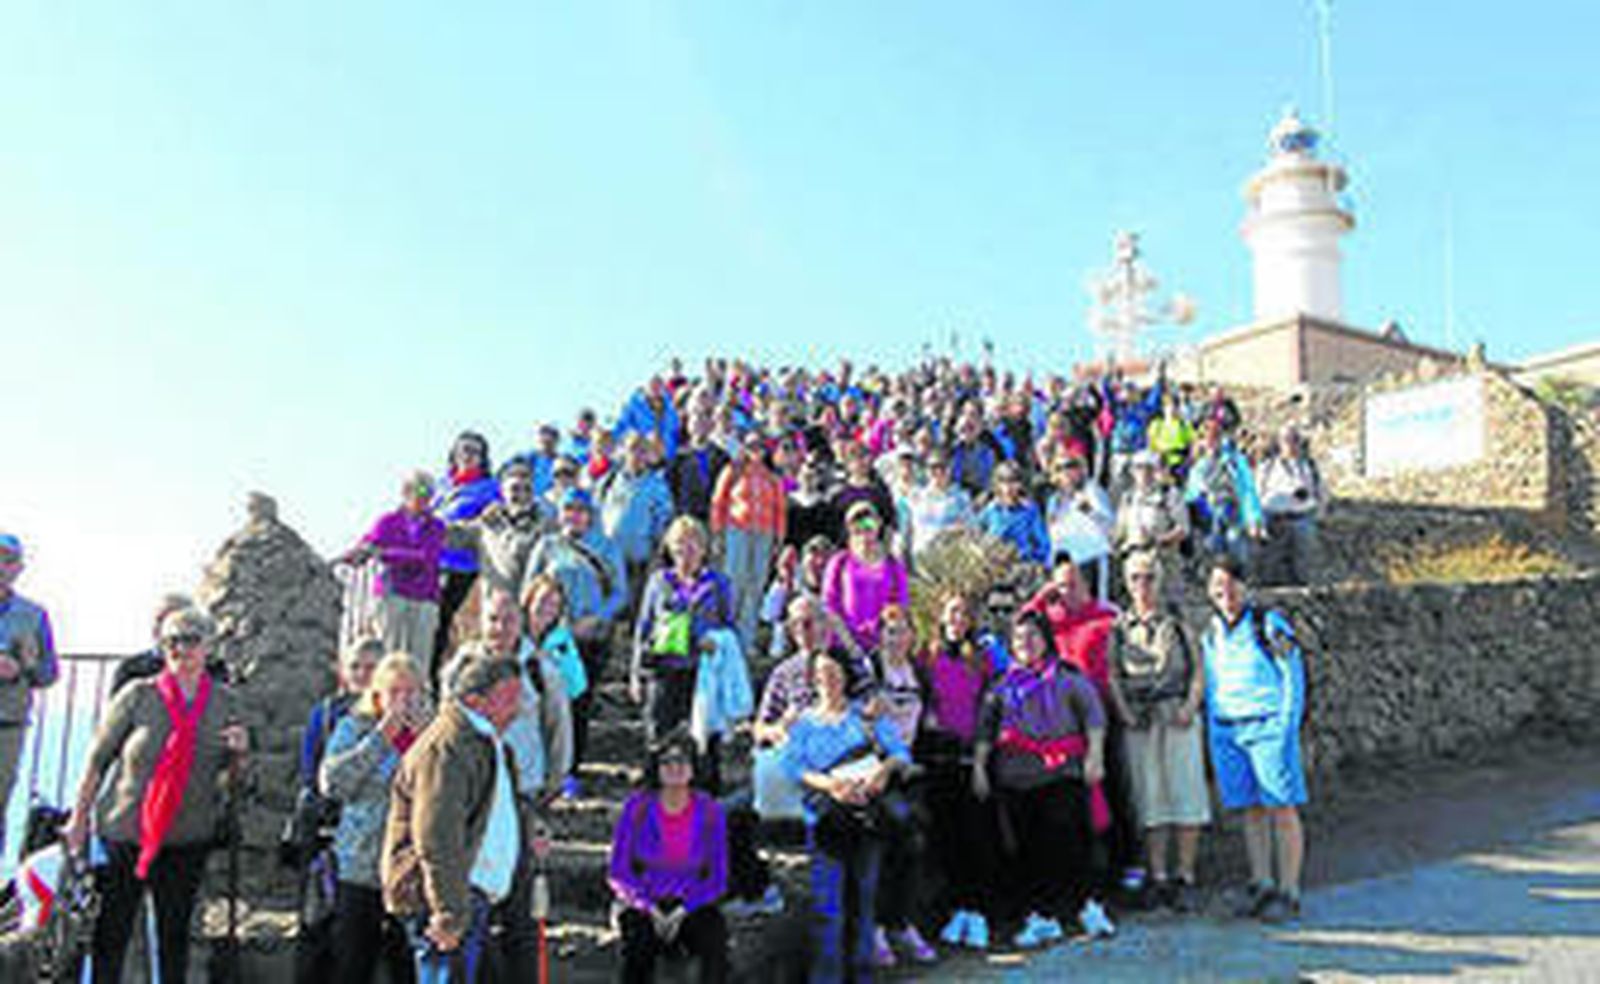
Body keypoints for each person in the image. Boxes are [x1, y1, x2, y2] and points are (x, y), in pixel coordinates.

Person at [64, 607, 248, 984]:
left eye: (190, 639)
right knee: (111, 935)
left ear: (208, 646)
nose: (181, 649)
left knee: (174, 937)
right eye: (172, 641)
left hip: (187, 836)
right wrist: (79, 820)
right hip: (126, 832)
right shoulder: (138, 695)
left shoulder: (226, 702)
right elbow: (98, 761)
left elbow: (236, 783)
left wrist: (242, 753)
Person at [381, 654, 534, 983]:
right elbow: (437, 835)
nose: (518, 709)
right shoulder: (448, 747)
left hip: (471, 897)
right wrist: (448, 914)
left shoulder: (484, 743)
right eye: (509, 699)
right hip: (447, 898)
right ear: (475, 701)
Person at [972, 611, 1114, 948]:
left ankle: (1086, 906)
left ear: (1046, 640)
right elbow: (985, 729)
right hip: (1017, 777)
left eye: (1032, 636)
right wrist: (979, 767)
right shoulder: (1001, 685)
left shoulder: (1066, 676)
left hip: (1062, 773)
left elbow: (1093, 714)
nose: (1026, 644)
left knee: (1070, 842)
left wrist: (1095, 755)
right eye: (1019, 638)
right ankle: (1040, 915)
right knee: (1025, 849)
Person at [782, 648, 913, 983]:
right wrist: (830, 784)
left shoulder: (864, 716)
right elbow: (794, 766)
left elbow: (899, 751)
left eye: (835, 672)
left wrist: (882, 772)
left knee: (865, 901)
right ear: (813, 679)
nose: (828, 680)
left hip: (866, 814)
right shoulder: (804, 723)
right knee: (830, 907)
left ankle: (862, 975)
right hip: (826, 818)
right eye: (822, 674)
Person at [1201, 556, 1308, 924]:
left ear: (1245, 587)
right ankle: (1261, 882)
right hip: (1229, 730)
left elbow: (1293, 674)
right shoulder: (1211, 632)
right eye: (1218, 586)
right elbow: (1213, 683)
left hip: (1268, 727)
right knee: (1251, 808)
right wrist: (1215, 730)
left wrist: (1286, 726)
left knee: (1281, 805)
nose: (1225, 592)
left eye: (1231, 584)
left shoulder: (1268, 623)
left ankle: (1289, 890)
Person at [1105, 554, 1210, 912]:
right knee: (1151, 801)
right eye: (1135, 578)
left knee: (1186, 794)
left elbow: (1198, 669)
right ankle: (1159, 875)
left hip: (1176, 713)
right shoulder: (1119, 628)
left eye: (1148, 577)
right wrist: (1124, 713)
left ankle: (1185, 875)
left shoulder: (1178, 623)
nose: (1142, 585)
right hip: (1140, 719)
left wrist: (1189, 708)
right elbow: (1113, 675)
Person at [320, 651, 431, 984]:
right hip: (360, 867)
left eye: (411, 692)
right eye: (395, 692)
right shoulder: (354, 728)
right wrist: (380, 739)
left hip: (412, 871)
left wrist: (428, 742)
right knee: (353, 964)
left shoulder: (432, 735)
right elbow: (333, 783)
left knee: (406, 968)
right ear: (378, 694)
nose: (403, 701)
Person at [290, 636, 384, 984]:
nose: (362, 674)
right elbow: (311, 770)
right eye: (356, 666)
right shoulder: (327, 713)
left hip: (372, 837)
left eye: (371, 667)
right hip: (330, 833)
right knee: (318, 925)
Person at [523, 488, 625, 798]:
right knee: (541, 702)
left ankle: (571, 770)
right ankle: (539, 766)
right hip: (550, 636)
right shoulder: (547, 545)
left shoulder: (605, 547)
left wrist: (596, 617)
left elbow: (621, 592)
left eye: (581, 510)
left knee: (577, 704)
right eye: (569, 509)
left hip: (587, 638)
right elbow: (529, 585)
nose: (575, 515)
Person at [608, 730, 731, 983]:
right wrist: (647, 906)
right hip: (643, 900)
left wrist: (684, 910)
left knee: (715, 943)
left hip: (691, 901)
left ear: (694, 767)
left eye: (682, 761)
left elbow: (717, 876)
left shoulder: (710, 809)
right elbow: (619, 870)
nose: (675, 767)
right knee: (637, 946)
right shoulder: (637, 806)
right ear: (656, 767)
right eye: (666, 761)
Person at [917, 593, 1000, 950]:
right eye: (952, 612)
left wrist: (982, 758)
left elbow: (989, 707)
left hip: (972, 756)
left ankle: (978, 910)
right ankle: (956, 910)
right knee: (946, 836)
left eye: (964, 613)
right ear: (941, 615)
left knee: (977, 835)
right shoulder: (928, 656)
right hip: (939, 757)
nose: (957, 619)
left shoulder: (982, 658)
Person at [631, 517, 736, 788]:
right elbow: (643, 626)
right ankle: (654, 791)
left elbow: (730, 627)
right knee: (658, 734)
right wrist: (635, 675)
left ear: (704, 548)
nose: (685, 552)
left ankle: (706, 794)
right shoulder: (658, 581)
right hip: (662, 668)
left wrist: (716, 642)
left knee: (704, 738)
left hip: (703, 671)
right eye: (679, 546)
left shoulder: (719, 584)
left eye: (692, 545)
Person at [866, 607, 936, 968]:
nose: (895, 638)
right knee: (889, 838)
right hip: (880, 769)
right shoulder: (871, 670)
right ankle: (877, 926)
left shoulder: (918, 672)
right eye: (889, 631)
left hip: (910, 769)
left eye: (902, 631)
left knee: (914, 843)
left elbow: (924, 720)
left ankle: (901, 922)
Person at [351, 470, 448, 678]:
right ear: (406, 492)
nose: (426, 497)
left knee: (420, 658)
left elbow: (426, 556)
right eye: (421, 489)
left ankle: (419, 705)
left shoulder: (437, 526)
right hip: (391, 593)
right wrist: (362, 551)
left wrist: (386, 554)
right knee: (388, 653)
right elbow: (369, 542)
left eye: (431, 492)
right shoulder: (387, 521)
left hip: (424, 596)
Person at [0, 532, 60, 854]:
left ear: (19, 568)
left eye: (8, 560)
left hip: (6, 726)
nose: (1, 566)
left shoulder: (34, 615)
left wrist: (23, 667)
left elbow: (49, 673)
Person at [709, 431, 787, 651]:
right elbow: (719, 502)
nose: (756, 450)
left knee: (755, 585)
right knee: (735, 581)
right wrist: (718, 533)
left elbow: (779, 510)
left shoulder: (772, 478)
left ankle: (746, 639)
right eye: (751, 445)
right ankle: (728, 634)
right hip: (737, 529)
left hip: (764, 532)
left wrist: (778, 539)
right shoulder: (733, 472)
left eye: (760, 446)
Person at [435, 432, 502, 665]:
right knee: (431, 628)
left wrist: (451, 530)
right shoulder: (440, 485)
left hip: (463, 567)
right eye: (463, 449)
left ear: (483, 458)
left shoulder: (490, 488)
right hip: (432, 564)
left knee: (446, 626)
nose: (468, 455)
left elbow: (491, 521)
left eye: (474, 451)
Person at [448, 459, 552, 601]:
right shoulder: (486, 525)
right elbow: (448, 535)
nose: (521, 495)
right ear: (502, 491)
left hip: (534, 614)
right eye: (515, 489)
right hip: (497, 614)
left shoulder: (549, 528)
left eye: (527, 489)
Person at [598, 431, 678, 611]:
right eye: (633, 449)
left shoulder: (657, 485)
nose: (637, 455)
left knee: (637, 610)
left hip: (639, 561)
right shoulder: (608, 482)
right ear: (623, 451)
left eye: (643, 450)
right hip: (609, 562)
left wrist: (658, 557)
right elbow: (596, 515)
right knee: (610, 611)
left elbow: (664, 522)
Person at [821, 502, 909, 658]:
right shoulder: (840, 562)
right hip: (845, 646)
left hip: (883, 647)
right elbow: (830, 606)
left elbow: (900, 604)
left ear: (878, 526)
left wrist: (885, 642)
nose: (864, 533)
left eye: (869, 525)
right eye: (856, 528)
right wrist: (850, 645)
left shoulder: (894, 565)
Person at [1184, 421, 1264, 572]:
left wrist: (1254, 519)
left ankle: (1242, 582)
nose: (1210, 441)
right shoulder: (1197, 467)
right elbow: (1191, 495)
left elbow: (1247, 490)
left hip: (1233, 513)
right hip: (1208, 518)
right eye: (1206, 437)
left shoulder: (1235, 462)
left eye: (1215, 437)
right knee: (1212, 547)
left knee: (1235, 544)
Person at [1114, 450, 1190, 603]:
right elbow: (1119, 531)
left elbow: (1183, 529)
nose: (1144, 473)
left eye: (1149, 468)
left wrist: (1158, 539)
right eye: (1139, 468)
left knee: (1170, 607)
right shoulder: (1128, 498)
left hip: (1163, 561)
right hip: (1134, 560)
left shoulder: (1169, 494)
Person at [1256, 426, 1325, 587]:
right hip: (1273, 517)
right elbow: (1257, 493)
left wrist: (1319, 513)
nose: (1291, 444)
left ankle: (1302, 585)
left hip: (1302, 517)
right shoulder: (1267, 467)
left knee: (1304, 554)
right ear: (1279, 443)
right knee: (1271, 558)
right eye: (1286, 440)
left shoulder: (1309, 466)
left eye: (1294, 439)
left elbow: (1321, 492)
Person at [1042, 455, 1115, 599]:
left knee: (1096, 602)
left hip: (1092, 557)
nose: (1066, 472)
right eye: (1060, 469)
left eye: (1071, 466)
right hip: (1066, 562)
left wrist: (1088, 509)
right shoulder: (1054, 500)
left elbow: (1109, 523)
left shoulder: (1092, 491)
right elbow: (1051, 531)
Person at [110, 592, 194, 696]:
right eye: (158, 620)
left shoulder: (210, 670)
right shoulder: (131, 669)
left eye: (169, 620)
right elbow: (116, 710)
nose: (160, 626)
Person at [976, 462, 1052, 567]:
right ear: (997, 485)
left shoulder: (1030, 511)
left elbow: (1043, 544)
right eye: (1003, 482)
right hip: (995, 566)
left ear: (1020, 484)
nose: (1008, 488)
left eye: (1013, 482)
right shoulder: (991, 510)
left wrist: (1037, 562)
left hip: (1022, 565)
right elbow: (976, 534)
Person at [903, 449, 975, 559]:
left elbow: (970, 528)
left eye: (942, 467)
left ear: (949, 469)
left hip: (951, 559)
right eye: (933, 467)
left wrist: (949, 531)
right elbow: (909, 530)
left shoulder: (961, 498)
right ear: (926, 470)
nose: (938, 472)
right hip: (922, 557)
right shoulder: (916, 496)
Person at [668, 410, 732, 522]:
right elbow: (673, 487)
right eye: (696, 422)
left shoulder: (722, 456)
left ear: (711, 425)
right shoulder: (678, 457)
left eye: (704, 422)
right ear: (688, 426)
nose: (700, 426)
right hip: (687, 516)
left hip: (713, 516)